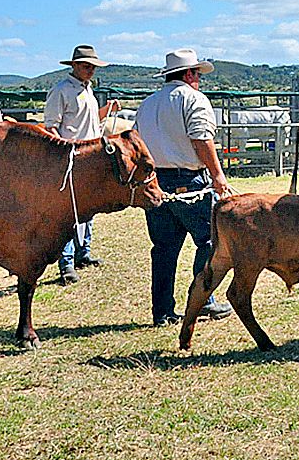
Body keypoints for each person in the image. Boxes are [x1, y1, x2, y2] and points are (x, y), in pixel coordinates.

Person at [134, 49, 233, 326]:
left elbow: (137, 142)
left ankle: (162, 310)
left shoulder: (148, 104)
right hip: (190, 181)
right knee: (209, 241)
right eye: (198, 74)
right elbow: (202, 139)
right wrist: (218, 175)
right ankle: (202, 300)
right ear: (189, 74)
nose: (200, 79)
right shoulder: (193, 99)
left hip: (155, 182)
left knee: (163, 248)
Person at [43, 45, 120, 283]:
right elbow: (51, 126)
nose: (91, 71)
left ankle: (82, 253)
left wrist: (107, 110)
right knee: (70, 210)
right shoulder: (61, 91)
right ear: (74, 66)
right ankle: (66, 262)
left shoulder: (87, 90)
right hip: (71, 157)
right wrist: (63, 151)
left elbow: (89, 120)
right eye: (87, 66)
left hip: (89, 154)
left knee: (88, 205)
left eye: (92, 67)